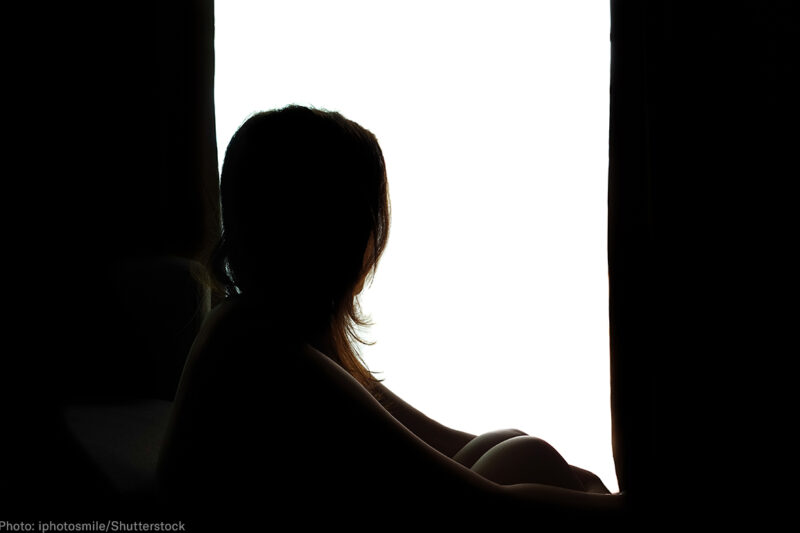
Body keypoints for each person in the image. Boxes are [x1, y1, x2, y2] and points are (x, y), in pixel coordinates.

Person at [157, 105, 618, 526]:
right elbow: (480, 503)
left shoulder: (277, 330)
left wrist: (582, 484)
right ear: (341, 237)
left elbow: (434, 439)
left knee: (518, 445)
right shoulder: (258, 344)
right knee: (526, 457)